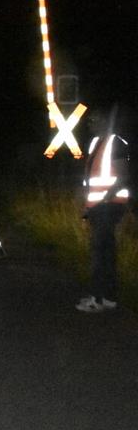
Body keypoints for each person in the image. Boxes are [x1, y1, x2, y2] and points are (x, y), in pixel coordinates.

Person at [76, 106, 131, 313]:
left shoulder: (116, 143)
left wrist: (105, 199)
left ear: (106, 122)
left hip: (108, 206)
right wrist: (88, 206)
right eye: (90, 121)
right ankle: (108, 297)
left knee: (99, 254)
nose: (91, 124)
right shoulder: (95, 143)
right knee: (106, 253)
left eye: (95, 120)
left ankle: (96, 299)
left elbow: (123, 175)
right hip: (99, 207)